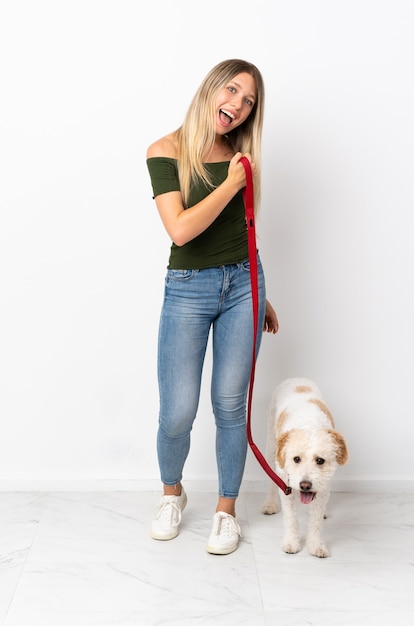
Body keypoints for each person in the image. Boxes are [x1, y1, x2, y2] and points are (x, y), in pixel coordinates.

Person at [146, 59, 279, 555]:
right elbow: (180, 229)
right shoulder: (165, 151)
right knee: (177, 411)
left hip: (245, 285)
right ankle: (171, 494)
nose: (238, 107)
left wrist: (262, 294)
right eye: (233, 92)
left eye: (249, 102)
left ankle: (226, 511)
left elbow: (240, 230)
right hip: (187, 289)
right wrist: (231, 184)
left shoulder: (241, 154)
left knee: (229, 406)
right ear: (210, 89)